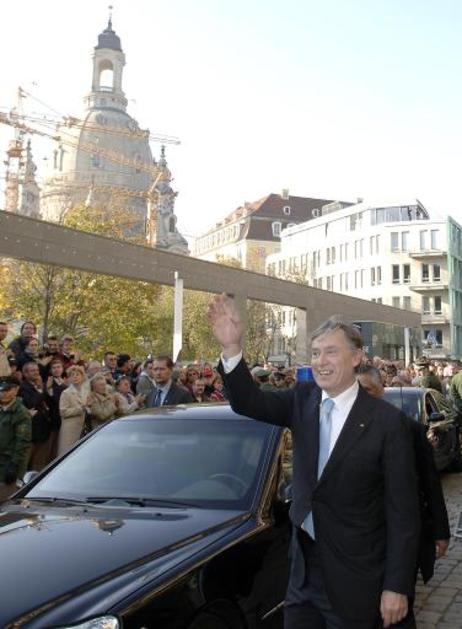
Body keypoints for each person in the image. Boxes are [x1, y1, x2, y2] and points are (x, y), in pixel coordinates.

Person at [208, 294, 420, 629]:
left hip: (358, 580)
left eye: (331, 352)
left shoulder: (387, 421)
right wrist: (233, 348)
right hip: (303, 575)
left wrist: (397, 585)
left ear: (357, 357)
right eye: (316, 353)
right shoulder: (302, 400)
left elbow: (403, 512)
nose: (321, 361)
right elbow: (248, 402)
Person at [357, 365, 450, 589]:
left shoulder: (410, 430)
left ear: (381, 390)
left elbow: (430, 484)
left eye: (367, 390)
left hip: (397, 535)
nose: (360, 397)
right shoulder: (338, 429)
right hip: (359, 538)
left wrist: (440, 531)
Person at [0, 376, 31, 502]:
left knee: (5, 502)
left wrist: (14, 465)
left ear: (16, 390)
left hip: (9, 464)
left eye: (7, 390)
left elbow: (22, 442)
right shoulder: (2, 409)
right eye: (1, 390)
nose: (3, 394)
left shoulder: (20, 413)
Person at [19, 362, 51, 471]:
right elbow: (32, 403)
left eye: (37, 370)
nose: (36, 373)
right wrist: (41, 390)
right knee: (27, 462)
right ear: (25, 373)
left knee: (39, 461)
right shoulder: (23, 387)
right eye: (32, 371)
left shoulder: (39, 384)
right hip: (32, 431)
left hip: (43, 429)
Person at [57, 365, 89, 456]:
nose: (75, 377)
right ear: (69, 378)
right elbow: (63, 412)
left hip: (83, 427)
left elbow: (87, 408)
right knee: (66, 454)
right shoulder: (66, 393)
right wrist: (81, 409)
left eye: (77, 374)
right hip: (69, 429)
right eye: (72, 375)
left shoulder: (85, 391)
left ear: (82, 377)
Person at [45, 359, 67, 460]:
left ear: (62, 369)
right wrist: (49, 390)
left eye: (59, 367)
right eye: (54, 368)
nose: (56, 370)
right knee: (51, 449)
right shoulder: (48, 383)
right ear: (50, 370)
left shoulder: (66, 382)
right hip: (53, 419)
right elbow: (55, 400)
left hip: (65, 419)